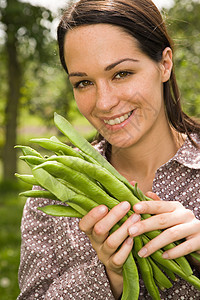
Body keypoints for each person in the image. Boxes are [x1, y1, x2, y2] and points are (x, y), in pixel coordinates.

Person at [17, 0, 200, 299]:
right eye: (84, 82)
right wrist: (108, 275)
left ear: (165, 64)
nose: (103, 103)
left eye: (122, 74)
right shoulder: (53, 191)